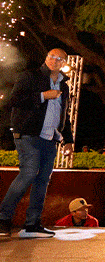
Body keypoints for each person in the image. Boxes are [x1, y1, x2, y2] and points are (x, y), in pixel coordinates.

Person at [0, 48, 74, 238]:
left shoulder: (64, 86)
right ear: (46, 58)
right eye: (51, 57)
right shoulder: (30, 76)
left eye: (59, 59)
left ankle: (32, 224)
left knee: (43, 180)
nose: (54, 61)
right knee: (29, 173)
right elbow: (13, 100)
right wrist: (42, 96)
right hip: (28, 134)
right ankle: (3, 219)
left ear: (64, 63)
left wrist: (68, 139)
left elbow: (63, 114)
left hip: (51, 138)